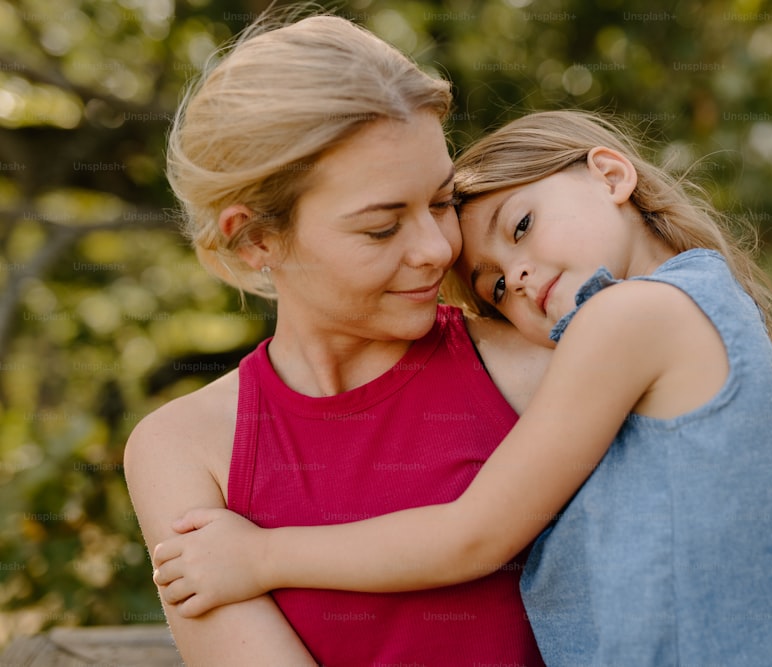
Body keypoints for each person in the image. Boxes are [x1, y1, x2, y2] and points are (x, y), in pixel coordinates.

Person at [151, 110, 772, 665]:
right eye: (490, 285)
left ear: (610, 174)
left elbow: (472, 533)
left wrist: (262, 555)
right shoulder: (698, 308)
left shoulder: (629, 319)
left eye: (521, 226)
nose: (514, 277)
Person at [123, 12, 550, 666]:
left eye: (441, 202)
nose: (436, 249)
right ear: (254, 237)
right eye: (382, 228)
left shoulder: (538, 371)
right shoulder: (183, 447)